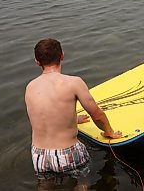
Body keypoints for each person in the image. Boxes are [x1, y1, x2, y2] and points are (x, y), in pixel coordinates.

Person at [25, 39, 122, 179]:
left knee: (45, 186)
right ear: (62, 55)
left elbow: (45, 114)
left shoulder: (30, 87)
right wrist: (109, 132)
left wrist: (74, 119)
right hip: (68, 152)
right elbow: (96, 114)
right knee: (82, 182)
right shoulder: (74, 83)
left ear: (37, 62)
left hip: (39, 155)